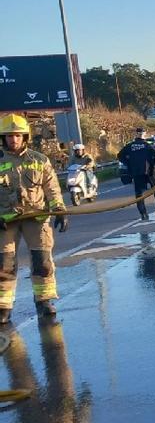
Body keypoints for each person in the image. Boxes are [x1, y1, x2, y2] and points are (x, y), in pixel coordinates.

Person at [0, 114, 68, 324]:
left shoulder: (39, 160)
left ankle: (44, 300)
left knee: (42, 261)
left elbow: (52, 188)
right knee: (4, 264)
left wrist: (59, 210)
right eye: (9, 136)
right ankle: (3, 307)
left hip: (36, 218)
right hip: (5, 220)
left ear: (25, 136)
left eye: (17, 135)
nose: (13, 139)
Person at [118, 128, 155, 222]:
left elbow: (120, 156)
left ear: (135, 135)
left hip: (137, 172)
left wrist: (129, 164)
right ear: (144, 135)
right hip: (150, 171)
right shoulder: (147, 145)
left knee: (139, 194)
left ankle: (143, 213)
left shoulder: (129, 146)